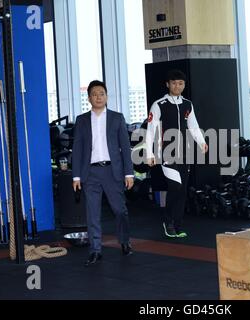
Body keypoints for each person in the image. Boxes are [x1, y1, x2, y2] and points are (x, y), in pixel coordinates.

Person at [72, 80, 134, 267]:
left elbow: (125, 147)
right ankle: (95, 250)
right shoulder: (82, 120)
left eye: (101, 93)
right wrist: (76, 176)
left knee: (119, 210)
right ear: (89, 98)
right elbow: (77, 149)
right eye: (94, 94)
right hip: (90, 173)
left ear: (106, 96)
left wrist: (129, 173)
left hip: (112, 171)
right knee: (92, 214)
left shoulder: (117, 118)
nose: (98, 97)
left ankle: (124, 241)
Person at [146, 69, 208, 238]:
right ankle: (167, 220)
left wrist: (202, 142)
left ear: (184, 85)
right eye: (174, 83)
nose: (177, 86)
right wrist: (149, 153)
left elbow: (193, 126)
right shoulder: (159, 104)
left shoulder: (188, 104)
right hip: (166, 152)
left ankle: (177, 224)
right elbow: (151, 130)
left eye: (180, 83)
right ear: (168, 84)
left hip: (185, 153)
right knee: (175, 186)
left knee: (182, 191)